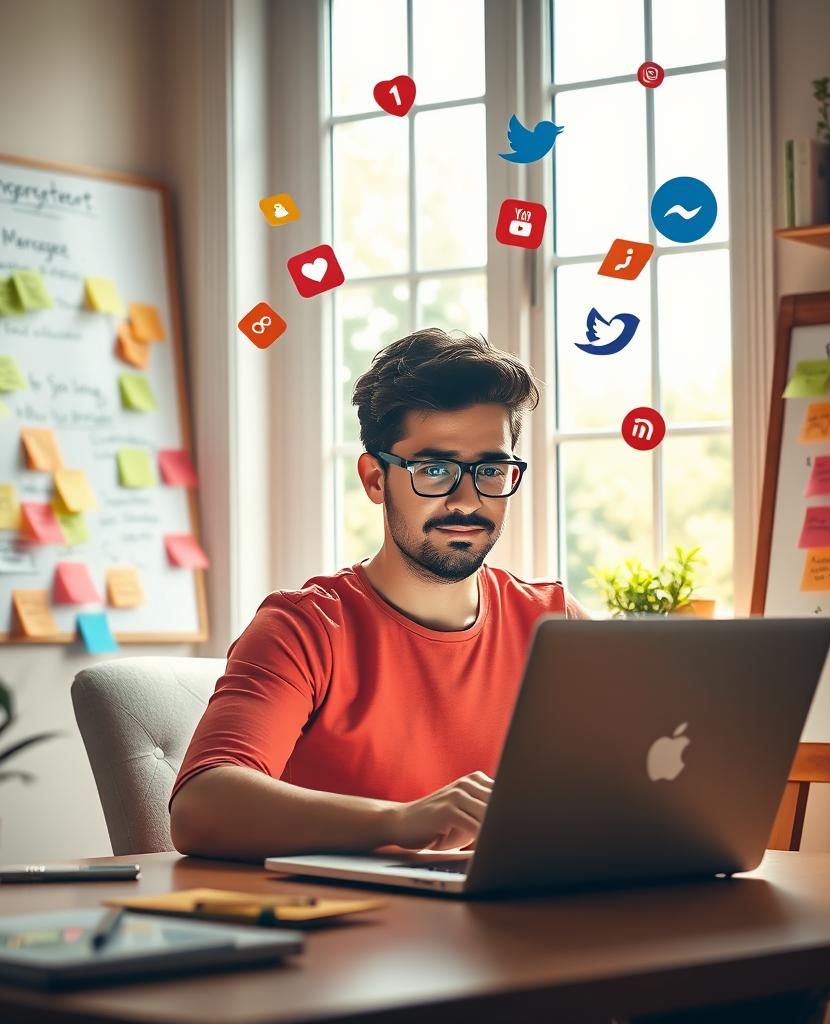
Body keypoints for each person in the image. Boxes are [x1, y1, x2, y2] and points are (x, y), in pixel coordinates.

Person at [169, 328, 589, 862]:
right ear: (374, 479)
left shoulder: (555, 622)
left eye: (490, 469)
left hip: (522, 925)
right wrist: (402, 820)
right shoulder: (303, 629)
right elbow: (201, 806)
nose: (467, 499)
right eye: (433, 470)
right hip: (352, 932)